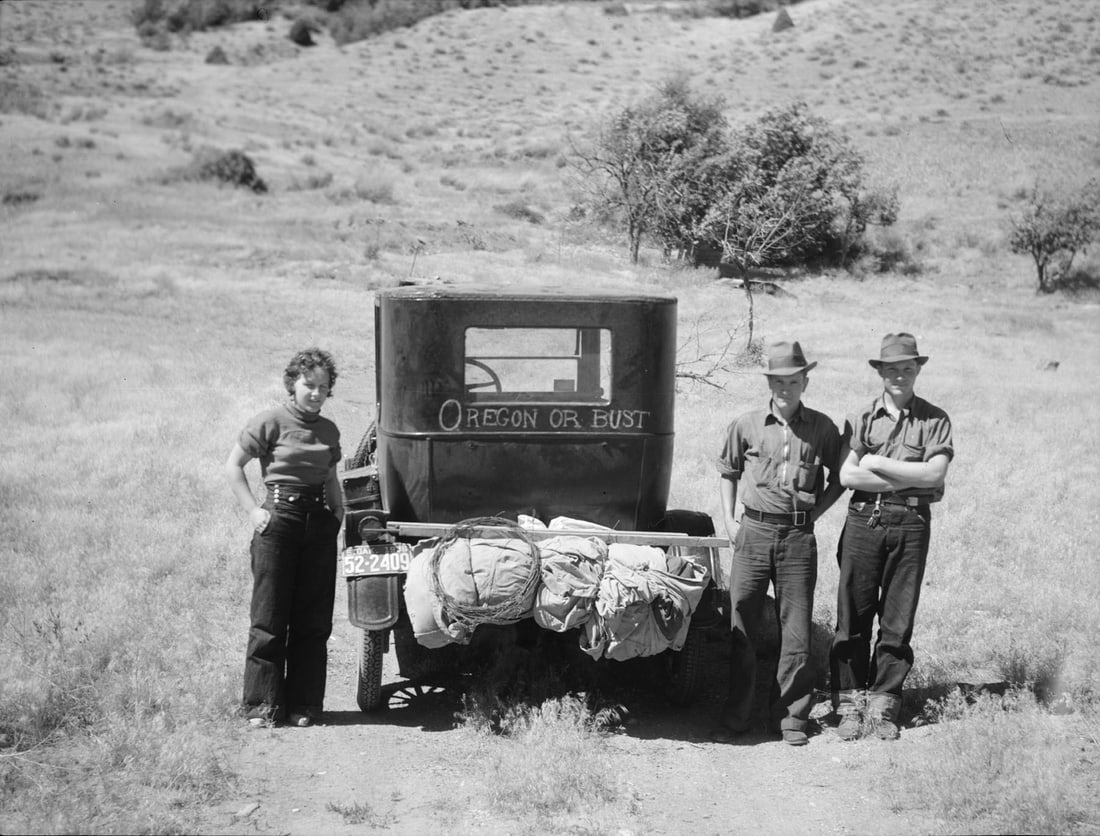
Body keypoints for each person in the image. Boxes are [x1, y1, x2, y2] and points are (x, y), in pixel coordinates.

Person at [711, 341, 845, 746]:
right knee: (742, 623)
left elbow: (840, 477)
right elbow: (728, 472)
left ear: (805, 381)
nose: (785, 388)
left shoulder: (822, 428)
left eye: (793, 380)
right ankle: (738, 714)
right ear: (769, 383)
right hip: (753, 532)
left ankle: (791, 717)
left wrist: (815, 515)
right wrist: (730, 523)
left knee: (797, 630)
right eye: (778, 381)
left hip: (798, 539)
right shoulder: (747, 424)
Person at [829, 333, 953, 741]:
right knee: (853, 613)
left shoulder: (935, 419)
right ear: (880, 372)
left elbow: (936, 474)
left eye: (907, 368)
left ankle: (884, 702)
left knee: (898, 618)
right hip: (864, 521)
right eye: (892, 369)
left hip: (911, 525)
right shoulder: (865, 418)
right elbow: (848, 476)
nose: (900, 375)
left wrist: (878, 462)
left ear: (917, 370)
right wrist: (911, 480)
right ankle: (848, 701)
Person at [225, 348, 344, 727]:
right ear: (293, 383)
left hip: (318, 524)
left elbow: (329, 478)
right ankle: (261, 706)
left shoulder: (329, 430)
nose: (315, 393)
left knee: (313, 620)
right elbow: (233, 466)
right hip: (279, 521)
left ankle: (304, 706)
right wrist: (253, 511)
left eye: (323, 388)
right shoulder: (270, 421)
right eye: (309, 385)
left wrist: (337, 514)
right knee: (269, 616)